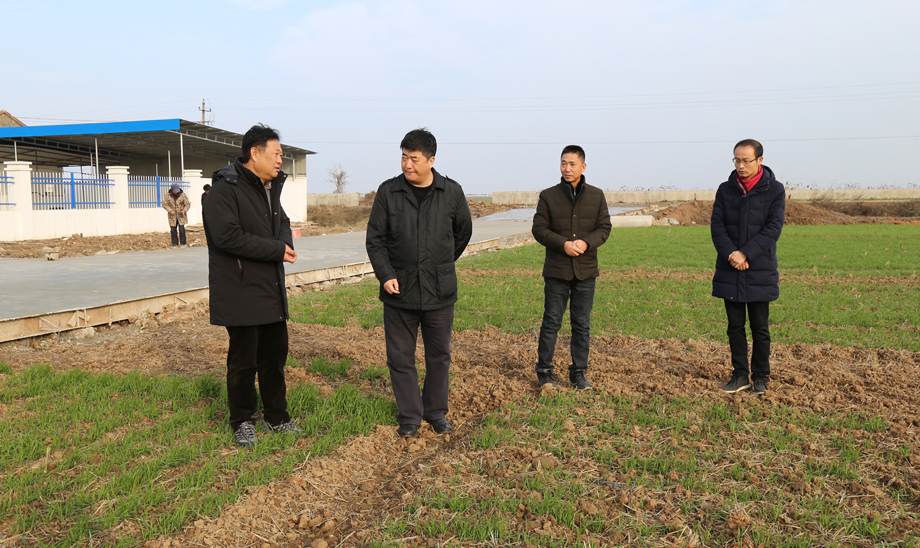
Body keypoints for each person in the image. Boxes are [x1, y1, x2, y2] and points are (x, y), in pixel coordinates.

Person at [366, 128, 473, 438]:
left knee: (439, 356)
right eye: (403, 157)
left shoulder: (451, 192)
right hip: (399, 290)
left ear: (431, 160)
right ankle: (410, 415)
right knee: (400, 357)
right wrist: (386, 274)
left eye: (413, 158)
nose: (407, 164)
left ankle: (435, 411)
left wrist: (440, 265)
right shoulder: (388, 192)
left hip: (440, 290)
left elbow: (462, 233)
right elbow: (375, 240)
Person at [203, 124, 301, 447]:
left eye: (281, 155)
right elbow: (227, 237)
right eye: (276, 154)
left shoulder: (269, 188)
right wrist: (275, 250)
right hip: (241, 290)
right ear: (254, 154)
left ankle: (277, 417)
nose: (280, 161)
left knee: (274, 359)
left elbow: (282, 221)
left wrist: (284, 243)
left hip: (270, 288)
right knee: (243, 363)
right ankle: (242, 421)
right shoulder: (224, 190)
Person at [532, 145, 611, 390]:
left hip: (585, 270)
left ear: (583, 167)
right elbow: (539, 229)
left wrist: (586, 242)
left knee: (581, 324)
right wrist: (563, 244)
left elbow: (604, 228)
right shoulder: (548, 196)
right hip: (557, 270)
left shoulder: (597, 196)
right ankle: (545, 371)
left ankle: (578, 373)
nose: (567, 168)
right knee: (551, 321)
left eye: (572, 164)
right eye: (563, 163)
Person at [711, 139, 785, 395]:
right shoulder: (726, 189)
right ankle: (740, 375)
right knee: (734, 327)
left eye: (746, 160)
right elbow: (717, 226)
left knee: (760, 328)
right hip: (730, 266)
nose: (740, 165)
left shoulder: (774, 190)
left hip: (759, 267)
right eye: (737, 160)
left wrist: (746, 253)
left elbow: (773, 228)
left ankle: (761, 376)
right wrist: (732, 254)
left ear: (759, 160)